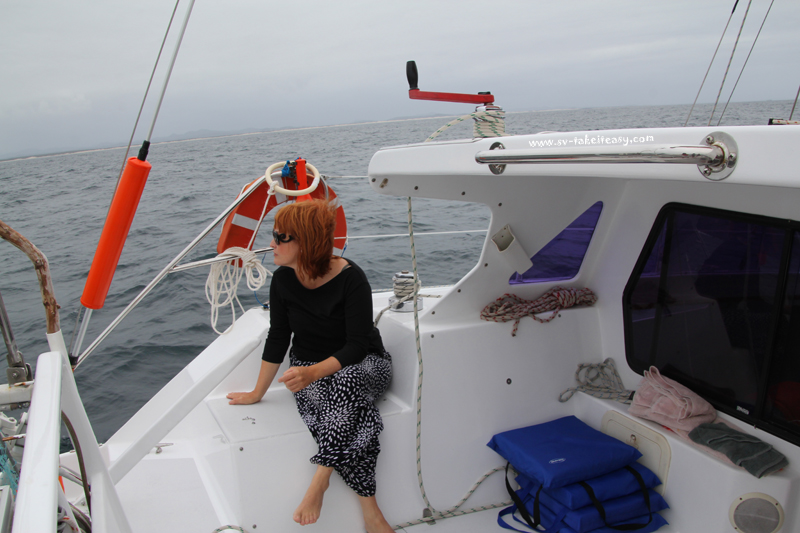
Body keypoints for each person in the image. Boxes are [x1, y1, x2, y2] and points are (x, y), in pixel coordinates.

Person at [226, 199, 394, 533]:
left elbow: (357, 346)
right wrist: (257, 392)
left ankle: (320, 481)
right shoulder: (282, 280)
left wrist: (312, 373)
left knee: (346, 384)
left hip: (365, 365)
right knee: (350, 416)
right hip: (309, 367)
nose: (272, 243)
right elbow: (278, 337)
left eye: (281, 237)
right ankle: (371, 513)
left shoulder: (352, 279)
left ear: (307, 241)